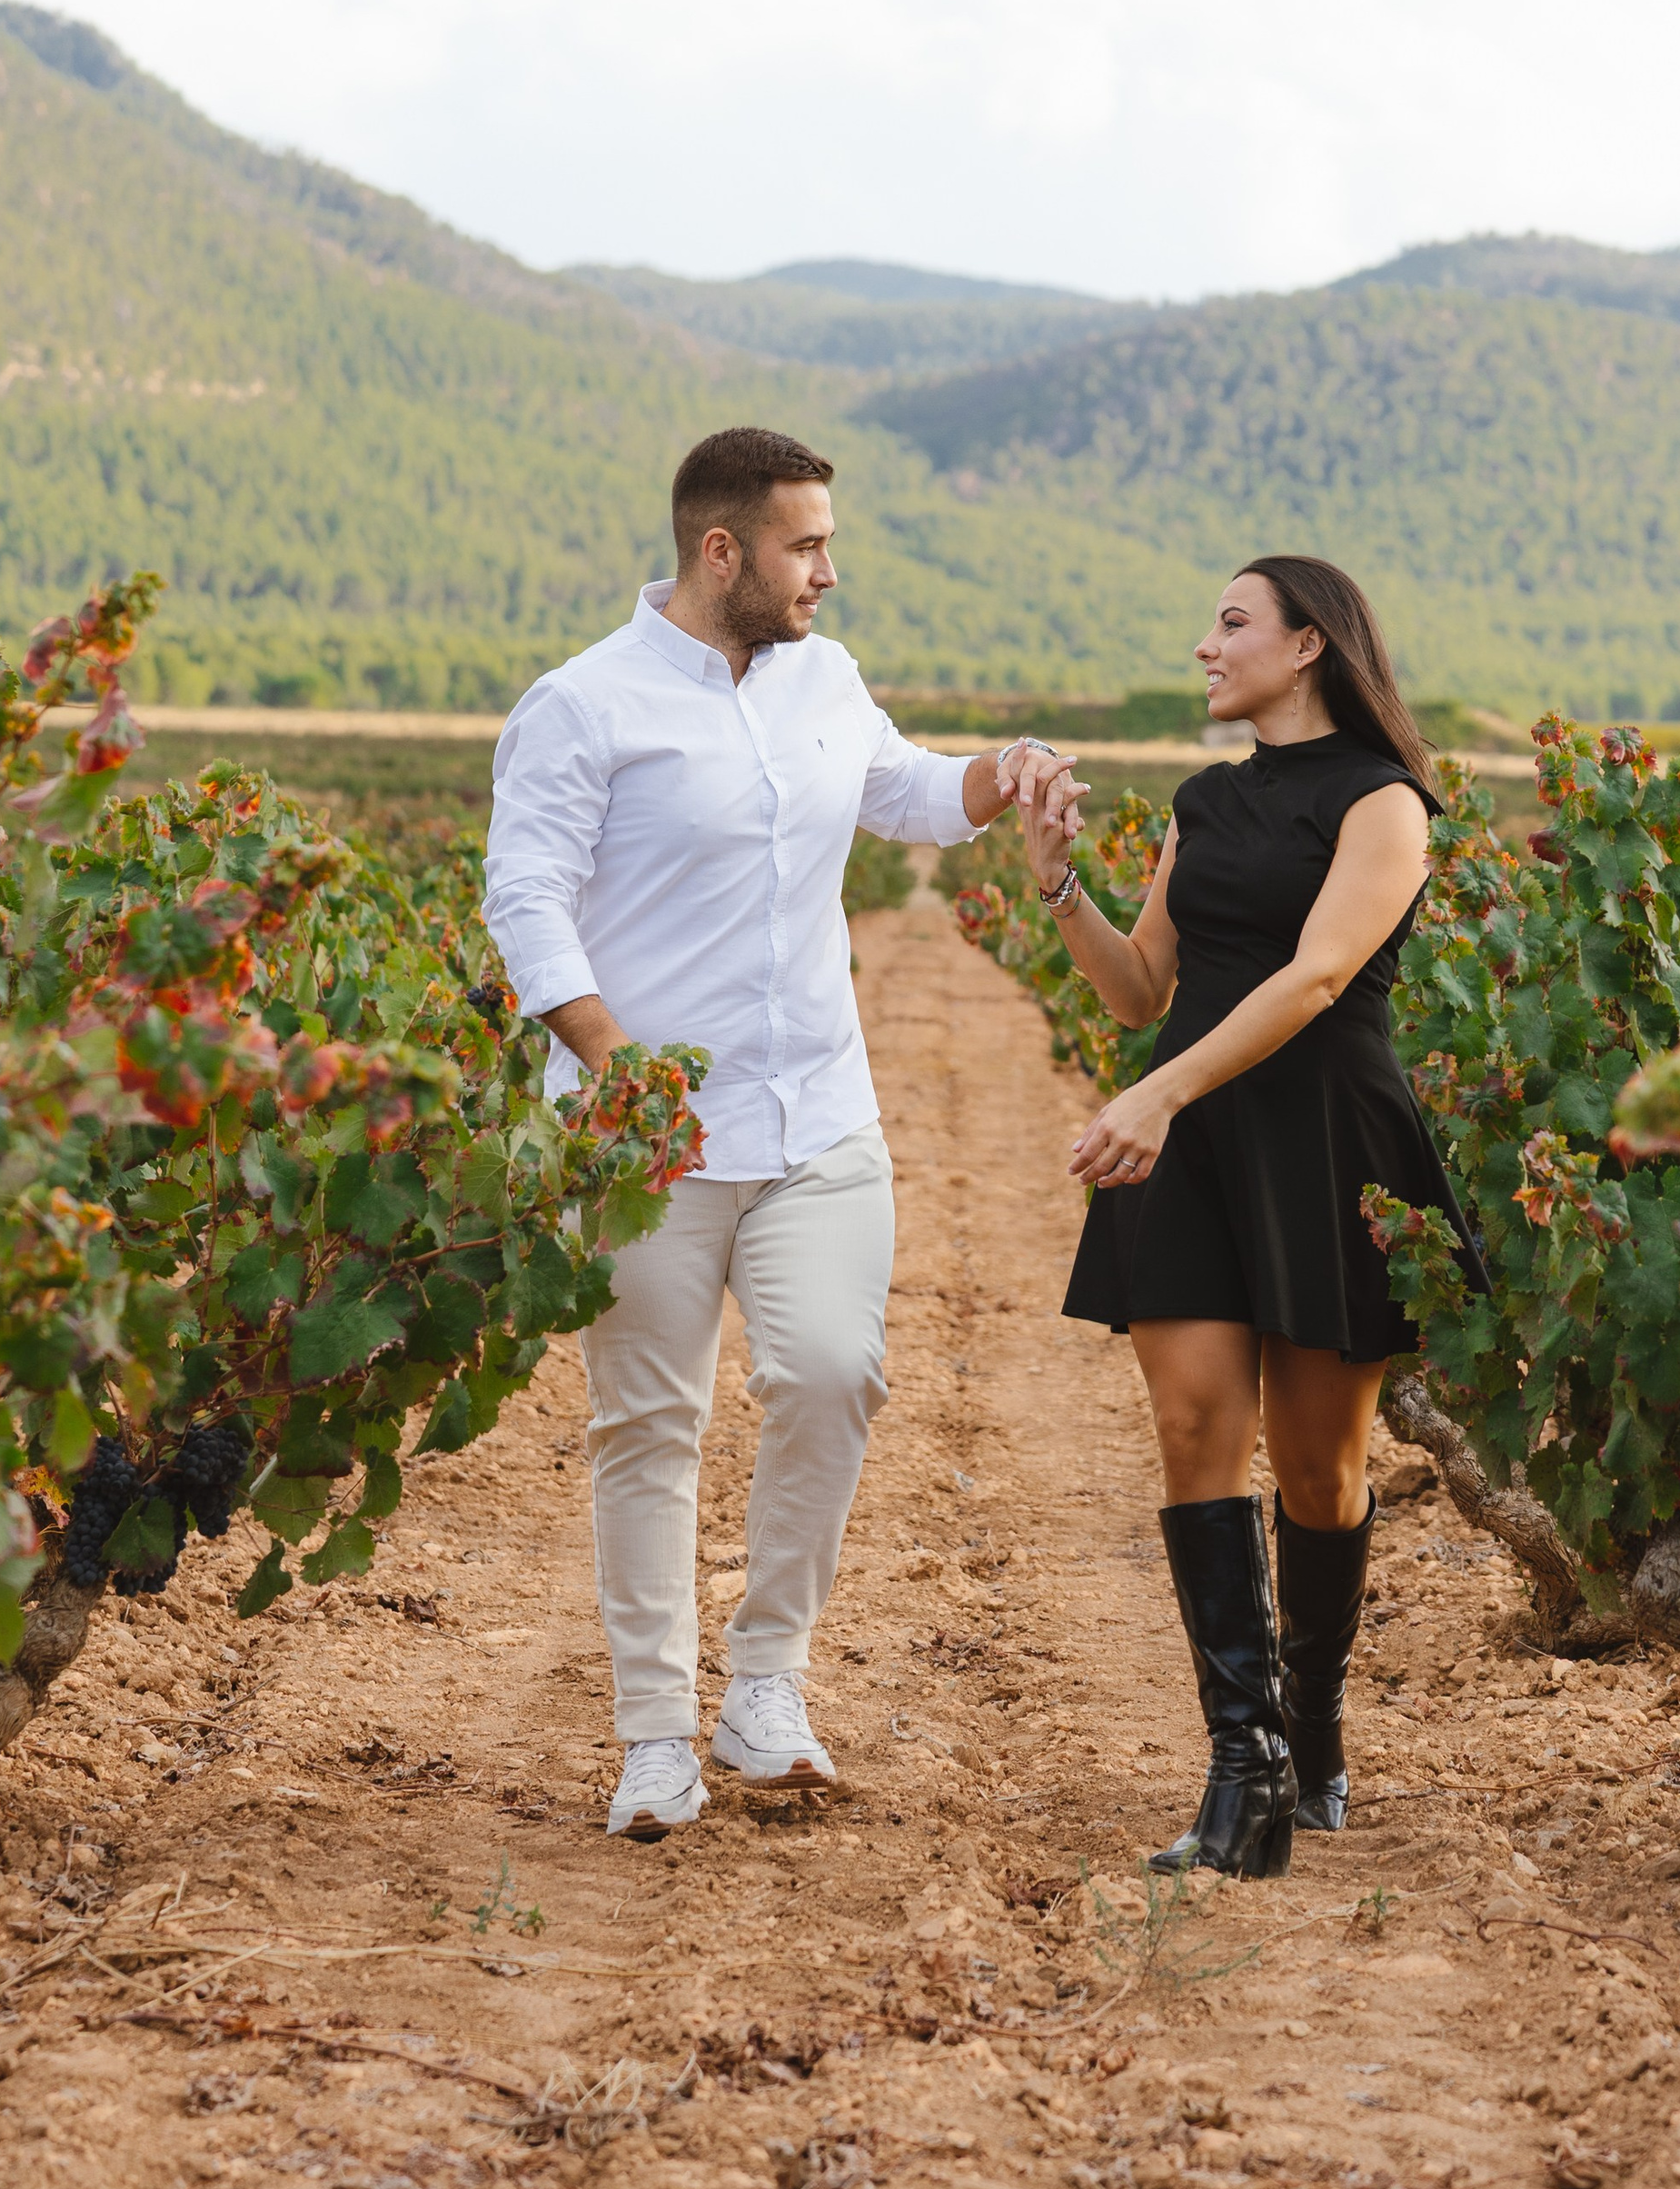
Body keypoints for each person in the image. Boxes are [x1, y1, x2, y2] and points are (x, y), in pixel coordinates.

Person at [482, 426, 1062, 1843]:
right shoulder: (581, 706)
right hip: (644, 1142)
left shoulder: (827, 676)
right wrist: (614, 1068)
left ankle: (767, 1683)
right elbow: (528, 901)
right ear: (720, 550)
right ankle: (651, 1737)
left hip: (818, 1113)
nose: (829, 571)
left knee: (832, 1374)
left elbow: (907, 791)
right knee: (648, 1427)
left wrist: (1002, 771)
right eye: (806, 546)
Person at [1014, 553, 1485, 1881]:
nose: (1207, 647)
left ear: (1310, 646)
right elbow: (1140, 985)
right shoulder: (1203, 802)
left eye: (1232, 624)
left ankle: (1312, 1726)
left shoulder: (1387, 806)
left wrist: (1158, 1093)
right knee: (1190, 1427)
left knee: (1322, 1467)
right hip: (1197, 1135)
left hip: (1327, 1138)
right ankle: (1247, 1767)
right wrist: (1062, 890)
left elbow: (1321, 977)